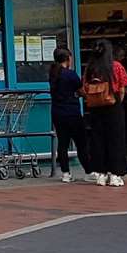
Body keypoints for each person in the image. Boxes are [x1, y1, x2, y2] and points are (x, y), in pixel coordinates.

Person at [82, 38, 127, 187]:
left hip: (95, 107)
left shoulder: (90, 68)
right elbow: (122, 88)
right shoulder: (116, 66)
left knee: (97, 139)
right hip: (113, 106)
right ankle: (115, 174)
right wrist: (117, 101)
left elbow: (84, 88)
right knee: (116, 139)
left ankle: (101, 174)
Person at [47, 47, 89, 183]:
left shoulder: (53, 74)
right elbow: (81, 91)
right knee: (81, 143)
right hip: (72, 113)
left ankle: (65, 173)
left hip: (58, 113)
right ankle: (89, 171)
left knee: (63, 143)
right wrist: (79, 94)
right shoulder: (70, 74)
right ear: (67, 58)